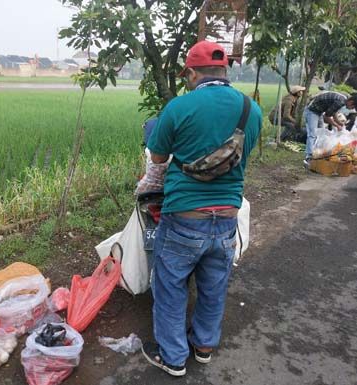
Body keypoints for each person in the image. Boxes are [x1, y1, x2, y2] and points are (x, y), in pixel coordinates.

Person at [141, 40, 261, 377]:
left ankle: (174, 357)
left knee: (170, 286)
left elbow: (159, 159)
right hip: (226, 217)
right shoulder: (252, 110)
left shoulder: (179, 107)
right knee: (213, 286)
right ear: (225, 70)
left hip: (184, 217)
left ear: (191, 73)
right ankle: (204, 346)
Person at [304, 91, 357, 166]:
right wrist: (337, 125)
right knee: (312, 134)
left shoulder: (343, 99)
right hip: (312, 111)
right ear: (351, 101)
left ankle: (317, 154)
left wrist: (339, 123)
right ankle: (308, 157)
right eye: (353, 107)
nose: (351, 108)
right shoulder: (341, 101)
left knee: (321, 134)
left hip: (319, 111)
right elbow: (326, 117)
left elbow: (333, 112)